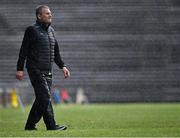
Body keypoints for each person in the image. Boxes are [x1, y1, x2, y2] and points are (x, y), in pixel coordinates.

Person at [16, 5, 70, 131]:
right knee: (45, 97)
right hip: (35, 69)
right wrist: (20, 69)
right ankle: (47, 125)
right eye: (46, 13)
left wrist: (63, 66)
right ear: (39, 16)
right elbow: (23, 50)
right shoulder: (32, 30)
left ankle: (35, 125)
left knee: (42, 98)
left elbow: (55, 52)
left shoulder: (51, 31)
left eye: (50, 13)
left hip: (48, 70)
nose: (50, 15)